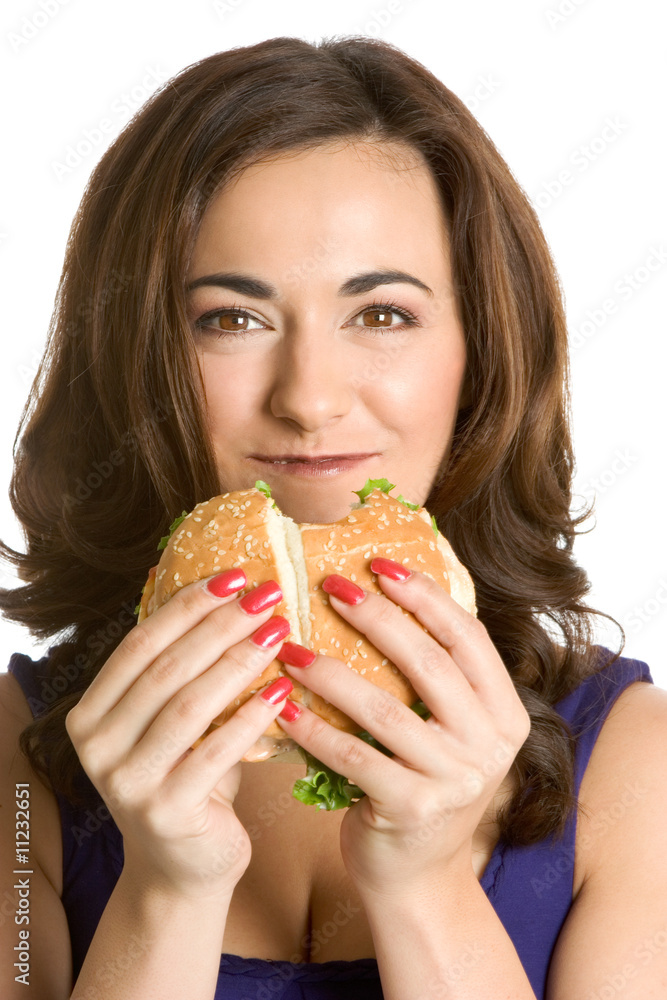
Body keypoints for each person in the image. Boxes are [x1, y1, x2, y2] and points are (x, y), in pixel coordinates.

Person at [0, 34, 665, 1000]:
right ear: (137, 359)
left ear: (479, 349)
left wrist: (426, 886)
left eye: (383, 313)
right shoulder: (20, 769)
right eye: (229, 318)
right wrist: (166, 890)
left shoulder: (633, 766)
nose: (309, 399)